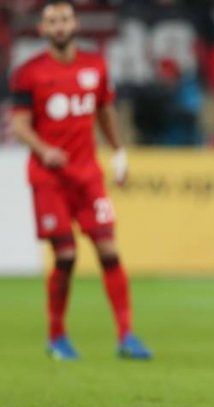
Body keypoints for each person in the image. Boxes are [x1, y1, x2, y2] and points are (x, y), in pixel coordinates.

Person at [9, 0, 151, 360]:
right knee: (67, 256)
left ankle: (127, 336)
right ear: (42, 30)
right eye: (52, 21)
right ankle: (56, 336)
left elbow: (105, 111)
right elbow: (19, 125)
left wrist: (119, 152)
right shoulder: (29, 72)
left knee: (109, 251)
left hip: (88, 176)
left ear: (75, 24)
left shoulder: (95, 66)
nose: (59, 26)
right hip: (49, 177)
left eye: (65, 19)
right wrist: (44, 150)